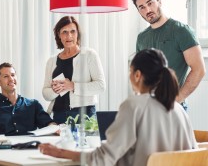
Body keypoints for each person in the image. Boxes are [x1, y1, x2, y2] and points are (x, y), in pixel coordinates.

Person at [39, 49, 197, 166]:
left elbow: (102, 159)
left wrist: (60, 152)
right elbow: (194, 156)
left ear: (137, 75)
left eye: (130, 71)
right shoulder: (178, 109)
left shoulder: (133, 106)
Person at [131, 0, 206, 110]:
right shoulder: (141, 38)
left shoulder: (181, 31)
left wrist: (177, 100)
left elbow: (199, 70)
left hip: (173, 107)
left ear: (159, 2)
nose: (147, 10)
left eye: (150, 3)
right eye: (142, 7)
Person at [42, 16, 106, 124]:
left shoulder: (89, 55)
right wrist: (55, 90)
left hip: (84, 115)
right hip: (59, 116)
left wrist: (72, 86)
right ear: (59, 35)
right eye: (64, 32)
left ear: (78, 34)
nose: (69, 36)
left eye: (73, 31)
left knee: (87, 141)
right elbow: (45, 93)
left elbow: (101, 86)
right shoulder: (51, 61)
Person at [0, 62, 56, 136]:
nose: (11, 79)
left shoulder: (33, 105)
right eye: (6, 76)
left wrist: (55, 127)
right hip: (0, 152)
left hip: (28, 151)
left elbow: (48, 124)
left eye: (13, 75)